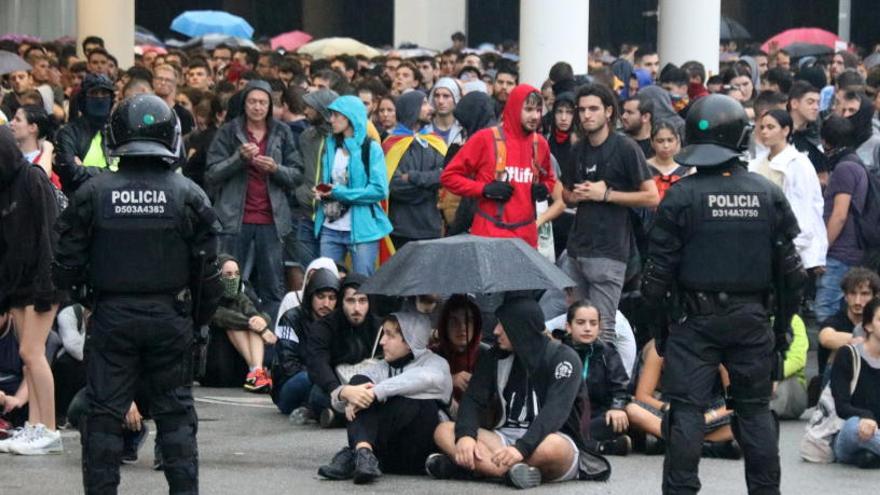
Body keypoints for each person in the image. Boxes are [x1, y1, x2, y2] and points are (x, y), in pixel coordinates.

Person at [53, 95, 223, 493]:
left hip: (112, 316)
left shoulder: (93, 193)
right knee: (177, 418)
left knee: (103, 419)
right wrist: (195, 321)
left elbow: (63, 263)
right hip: (170, 317)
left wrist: (90, 300)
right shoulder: (188, 194)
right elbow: (209, 273)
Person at [641, 94, 806, 494]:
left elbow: (656, 279)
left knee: (686, 414)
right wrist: (781, 328)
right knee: (754, 414)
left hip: (694, 323)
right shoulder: (767, 194)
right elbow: (793, 276)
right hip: (751, 322)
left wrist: (662, 331)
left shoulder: (681, 195)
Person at [428, 295, 610, 488]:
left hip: (550, 438)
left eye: (502, 325)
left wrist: (521, 449)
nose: (496, 331)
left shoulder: (564, 358)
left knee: (553, 447)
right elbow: (473, 399)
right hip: (503, 439)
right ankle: (508, 474)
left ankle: (476, 470)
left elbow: (555, 412)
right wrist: (466, 435)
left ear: (521, 328)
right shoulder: (494, 357)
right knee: (444, 430)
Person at [561, 83, 659, 342]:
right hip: (576, 249)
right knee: (574, 328)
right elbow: (565, 196)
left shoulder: (626, 148)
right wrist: (578, 194)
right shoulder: (577, 149)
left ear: (608, 112)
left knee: (601, 331)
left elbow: (651, 196)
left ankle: (605, 382)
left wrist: (605, 195)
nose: (586, 115)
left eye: (593, 109)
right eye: (581, 110)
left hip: (610, 251)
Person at [318, 312, 453, 484]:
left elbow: (424, 379)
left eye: (390, 335)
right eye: (383, 334)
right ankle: (363, 452)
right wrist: (345, 392)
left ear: (411, 340)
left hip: (419, 447)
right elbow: (342, 403)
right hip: (387, 452)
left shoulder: (436, 363)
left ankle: (353, 454)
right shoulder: (382, 366)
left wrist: (375, 393)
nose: (382, 341)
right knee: (359, 384)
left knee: (411, 399)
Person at [206, 80, 302, 318]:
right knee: (229, 283)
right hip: (234, 219)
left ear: (271, 105)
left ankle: (271, 342)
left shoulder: (282, 131)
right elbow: (212, 174)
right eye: (252, 101)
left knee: (273, 286)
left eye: (262, 102)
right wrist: (238, 158)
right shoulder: (228, 131)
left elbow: (297, 174)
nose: (257, 107)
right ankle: (230, 334)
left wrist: (275, 169)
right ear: (244, 103)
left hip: (271, 219)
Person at [0, 126, 63, 456]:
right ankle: (36, 426)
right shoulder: (4, 188)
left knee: (31, 352)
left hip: (43, 281)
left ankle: (49, 428)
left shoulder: (33, 179)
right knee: (28, 358)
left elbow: (49, 234)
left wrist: (45, 284)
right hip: (19, 285)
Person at [440, 84, 556, 248]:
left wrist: (545, 188)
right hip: (489, 235)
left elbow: (550, 180)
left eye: (538, 110)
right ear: (515, 108)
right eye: (528, 109)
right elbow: (448, 177)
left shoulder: (540, 144)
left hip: (526, 239)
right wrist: (483, 189)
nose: (535, 116)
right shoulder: (485, 138)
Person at [313, 96, 392, 276]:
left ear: (350, 116)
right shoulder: (331, 145)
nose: (331, 120)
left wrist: (339, 193)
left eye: (335, 115)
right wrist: (322, 190)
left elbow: (379, 190)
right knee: (326, 281)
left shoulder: (371, 148)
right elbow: (331, 182)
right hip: (330, 226)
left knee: (361, 284)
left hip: (362, 230)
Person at [624, 340, 740, 459]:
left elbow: (733, 400)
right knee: (632, 409)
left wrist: (709, 417)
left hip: (710, 411)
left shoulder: (719, 347)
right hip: (672, 411)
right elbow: (642, 397)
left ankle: (669, 443)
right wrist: (667, 408)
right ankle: (707, 446)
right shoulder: (660, 346)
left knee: (743, 419)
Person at [749, 109, 827, 272]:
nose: (764, 132)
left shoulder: (798, 163)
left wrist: (794, 247)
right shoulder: (756, 164)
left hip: (794, 251)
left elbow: (805, 209)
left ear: (785, 130)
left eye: (771, 127)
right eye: (762, 127)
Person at [306, 274, 383, 427]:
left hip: (370, 388)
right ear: (341, 302)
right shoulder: (324, 327)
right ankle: (355, 415)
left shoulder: (379, 327)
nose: (356, 308)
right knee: (316, 394)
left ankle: (340, 417)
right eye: (350, 300)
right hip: (337, 385)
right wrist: (341, 391)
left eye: (362, 301)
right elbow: (318, 362)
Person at [815, 116, 869, 325]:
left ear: (826, 141)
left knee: (825, 311)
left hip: (840, 251)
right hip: (850, 249)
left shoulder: (845, 168)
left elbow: (839, 214)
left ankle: (833, 355)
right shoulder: (855, 163)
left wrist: (823, 249)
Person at [561, 301, 632, 456]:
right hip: (568, 418)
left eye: (593, 323)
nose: (587, 328)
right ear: (568, 326)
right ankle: (602, 447)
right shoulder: (559, 353)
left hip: (600, 417)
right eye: (580, 323)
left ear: (599, 328)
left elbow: (621, 387)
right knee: (560, 431)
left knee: (620, 418)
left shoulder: (607, 352)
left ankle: (581, 443)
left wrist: (617, 407)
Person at [382, 90, 447, 250]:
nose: (430, 108)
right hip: (401, 229)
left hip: (431, 227)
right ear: (412, 108)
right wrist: (428, 186)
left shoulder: (436, 142)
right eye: (424, 103)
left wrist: (412, 177)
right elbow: (393, 186)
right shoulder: (390, 145)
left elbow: (444, 176)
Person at [273, 268, 339, 419]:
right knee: (308, 378)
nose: (326, 303)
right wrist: (323, 374)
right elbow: (288, 364)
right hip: (292, 384)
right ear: (310, 296)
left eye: (332, 298)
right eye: (321, 297)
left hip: (326, 383)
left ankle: (321, 411)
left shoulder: (337, 321)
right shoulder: (290, 318)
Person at [210, 255, 277, 393]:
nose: (233, 278)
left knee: (253, 322)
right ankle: (256, 371)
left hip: (240, 365)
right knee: (236, 324)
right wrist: (261, 328)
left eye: (236, 274)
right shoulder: (209, 296)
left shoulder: (242, 294)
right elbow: (221, 316)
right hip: (216, 366)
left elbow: (255, 312)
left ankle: (256, 371)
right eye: (228, 274)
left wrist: (260, 322)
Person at [290, 89, 339, 270]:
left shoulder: (342, 139)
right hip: (306, 216)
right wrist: (300, 192)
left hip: (332, 219)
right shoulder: (306, 137)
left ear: (323, 109)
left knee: (329, 273)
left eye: (310, 107)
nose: (305, 112)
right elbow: (298, 167)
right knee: (308, 272)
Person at [830, 297, 880, 468]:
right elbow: (842, 407)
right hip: (849, 431)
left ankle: (870, 456)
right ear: (868, 326)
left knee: (869, 451)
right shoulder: (848, 354)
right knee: (854, 427)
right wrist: (867, 417)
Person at [54, 73, 116, 195]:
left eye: (104, 94)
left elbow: (127, 172)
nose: (99, 98)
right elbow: (71, 172)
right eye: (94, 94)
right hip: (79, 204)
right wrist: (111, 173)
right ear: (83, 100)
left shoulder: (117, 131)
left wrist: (84, 169)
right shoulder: (68, 133)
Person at [818, 268, 880, 381]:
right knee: (842, 352)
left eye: (864, 294)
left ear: (875, 297)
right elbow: (826, 338)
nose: (857, 301)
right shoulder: (835, 320)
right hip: (836, 385)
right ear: (845, 296)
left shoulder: (876, 323)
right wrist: (868, 342)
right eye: (852, 293)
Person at [432, 294, 483, 416]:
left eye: (468, 320)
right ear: (445, 325)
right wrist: (450, 380)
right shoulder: (432, 356)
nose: (462, 327)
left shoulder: (487, 357)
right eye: (454, 321)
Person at [788, 81, 828, 183]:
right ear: (794, 104)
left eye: (818, 103)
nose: (816, 107)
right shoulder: (779, 133)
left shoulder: (815, 137)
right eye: (810, 102)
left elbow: (823, 177)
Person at [647, 122, 689, 203]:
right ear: (652, 142)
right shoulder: (643, 167)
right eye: (660, 141)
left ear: (677, 141)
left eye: (670, 140)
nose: (666, 145)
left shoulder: (688, 169)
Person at [151, 64, 195, 135]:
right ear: (153, 81)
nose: (163, 83)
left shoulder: (184, 115)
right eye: (160, 79)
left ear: (174, 84)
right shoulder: (145, 108)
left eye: (168, 80)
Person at [425, 77, 464, 145]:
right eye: (437, 96)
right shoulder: (423, 129)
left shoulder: (463, 131)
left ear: (456, 98)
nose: (440, 101)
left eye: (446, 96)